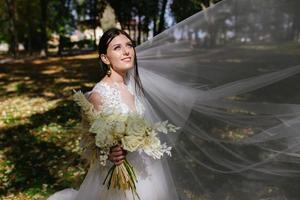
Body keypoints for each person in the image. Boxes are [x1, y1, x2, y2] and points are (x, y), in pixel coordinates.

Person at [47, 28, 179, 200]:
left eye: (129, 46)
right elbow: (93, 141)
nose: (126, 51)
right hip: (116, 178)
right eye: (117, 48)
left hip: (146, 168)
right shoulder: (99, 95)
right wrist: (110, 152)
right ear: (105, 58)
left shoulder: (133, 86)